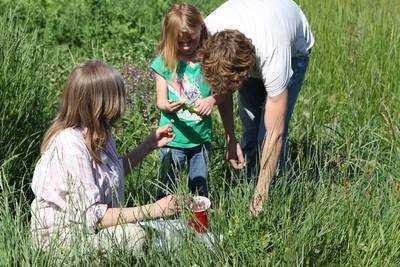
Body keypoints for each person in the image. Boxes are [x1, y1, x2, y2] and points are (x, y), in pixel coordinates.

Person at [30, 60, 179, 252]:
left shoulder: (100, 133)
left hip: (88, 232)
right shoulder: (69, 144)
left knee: (156, 233)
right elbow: (94, 216)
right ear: (99, 103)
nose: (122, 101)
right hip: (62, 242)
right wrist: (154, 210)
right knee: (135, 236)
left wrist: (149, 145)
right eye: (117, 96)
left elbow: (114, 171)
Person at [197, 0, 314, 215]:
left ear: (246, 71)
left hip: (294, 51)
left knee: (266, 137)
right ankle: (249, 187)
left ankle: (271, 200)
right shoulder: (208, 33)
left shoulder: (274, 56)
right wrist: (231, 139)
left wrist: (259, 199)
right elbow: (222, 89)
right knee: (250, 134)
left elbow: (275, 133)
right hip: (254, 41)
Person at [150, 4, 214, 200]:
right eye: (180, 42)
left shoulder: (208, 59)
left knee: (200, 186)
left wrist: (212, 99)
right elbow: (160, 101)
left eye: (191, 40)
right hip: (173, 138)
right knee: (168, 185)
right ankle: (163, 219)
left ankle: (197, 223)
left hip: (201, 137)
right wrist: (167, 106)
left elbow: (222, 90)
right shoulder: (165, 62)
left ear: (200, 30)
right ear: (170, 39)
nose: (186, 46)